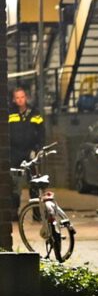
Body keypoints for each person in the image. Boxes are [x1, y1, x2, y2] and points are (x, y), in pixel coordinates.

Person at [9, 87, 45, 219]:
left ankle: (36, 213)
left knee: (34, 183)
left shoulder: (35, 113)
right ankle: (14, 213)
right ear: (14, 99)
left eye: (22, 97)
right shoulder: (10, 114)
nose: (20, 100)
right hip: (14, 153)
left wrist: (38, 149)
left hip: (30, 153)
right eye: (17, 97)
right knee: (14, 184)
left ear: (26, 98)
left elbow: (41, 133)